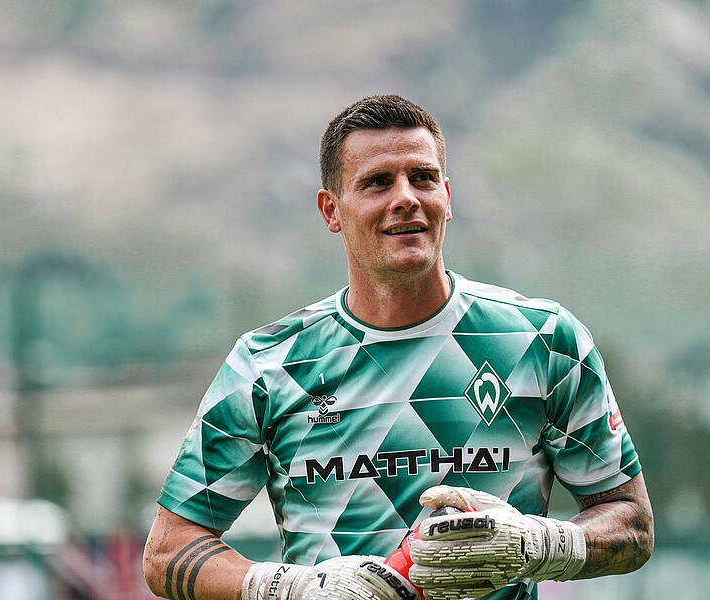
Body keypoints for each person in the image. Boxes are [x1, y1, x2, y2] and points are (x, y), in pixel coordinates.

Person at [143, 95, 653, 600]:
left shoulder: (543, 339)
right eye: (377, 182)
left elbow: (632, 524)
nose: (406, 197)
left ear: (448, 198)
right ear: (331, 210)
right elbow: (167, 552)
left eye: (423, 178)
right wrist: (294, 589)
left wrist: (542, 544)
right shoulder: (269, 363)